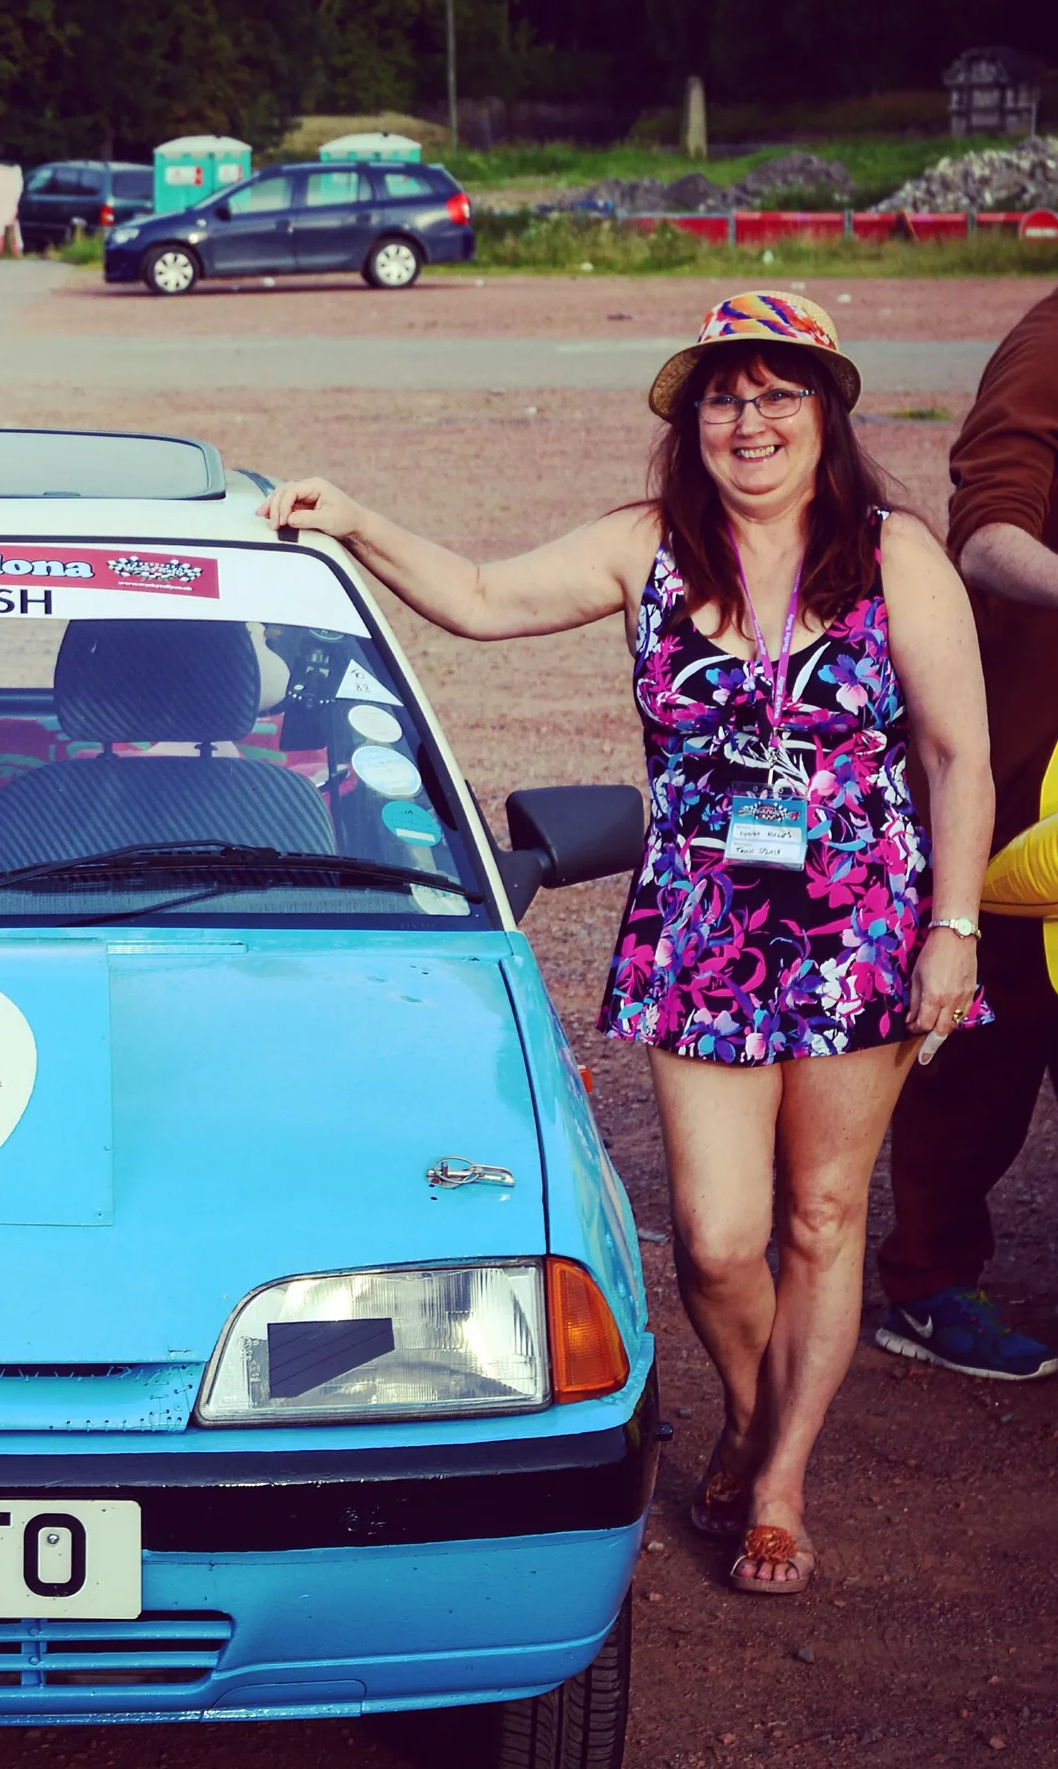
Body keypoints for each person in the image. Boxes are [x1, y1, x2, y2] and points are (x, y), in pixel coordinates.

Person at [259, 291, 993, 1597]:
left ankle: (775, 1478)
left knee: (824, 1217)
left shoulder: (896, 555)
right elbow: (481, 599)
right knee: (717, 1236)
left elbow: (955, 752)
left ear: (828, 410)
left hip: (863, 926)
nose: (750, 418)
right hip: (705, 928)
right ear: (690, 418)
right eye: (724, 393)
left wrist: (954, 928)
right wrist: (358, 521)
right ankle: (754, 1411)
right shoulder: (648, 547)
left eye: (779, 392)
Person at [880, 287, 1058, 1382]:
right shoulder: (1048, 342)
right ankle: (928, 1282)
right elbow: (987, 537)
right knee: (983, 1039)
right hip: (1020, 776)